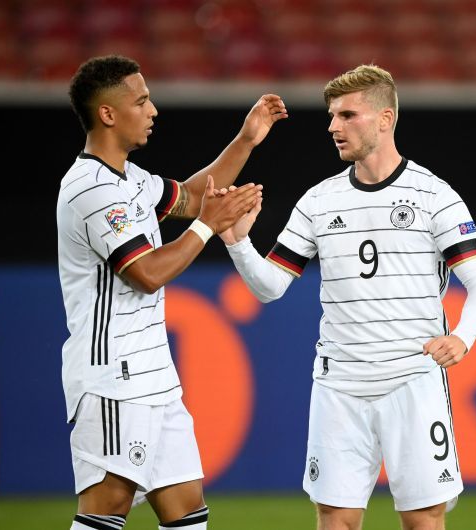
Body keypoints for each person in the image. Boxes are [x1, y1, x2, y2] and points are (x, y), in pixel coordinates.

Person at [218, 64, 476, 530]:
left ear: (385, 119)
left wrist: (463, 336)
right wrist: (237, 241)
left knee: (423, 522)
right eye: (331, 116)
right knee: (336, 521)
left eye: (348, 115)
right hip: (339, 385)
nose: (333, 126)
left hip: (413, 380)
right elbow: (270, 287)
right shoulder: (318, 201)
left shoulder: (435, 196)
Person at [57, 55, 287, 530]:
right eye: (141, 100)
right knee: (105, 510)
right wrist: (208, 225)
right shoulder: (90, 189)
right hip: (112, 378)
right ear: (107, 114)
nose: (153, 109)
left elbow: (196, 195)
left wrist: (246, 140)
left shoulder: (133, 181)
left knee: (186, 511)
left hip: (155, 376)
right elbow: (145, 273)